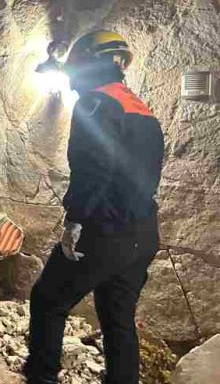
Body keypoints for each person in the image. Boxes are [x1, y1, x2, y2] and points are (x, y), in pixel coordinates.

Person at [25, 31, 164, 384]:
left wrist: (75, 221)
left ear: (88, 63)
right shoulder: (141, 109)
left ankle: (41, 377)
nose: (72, 80)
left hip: (104, 230)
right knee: (118, 316)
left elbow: (94, 171)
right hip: (142, 233)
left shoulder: (95, 104)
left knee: (48, 300)